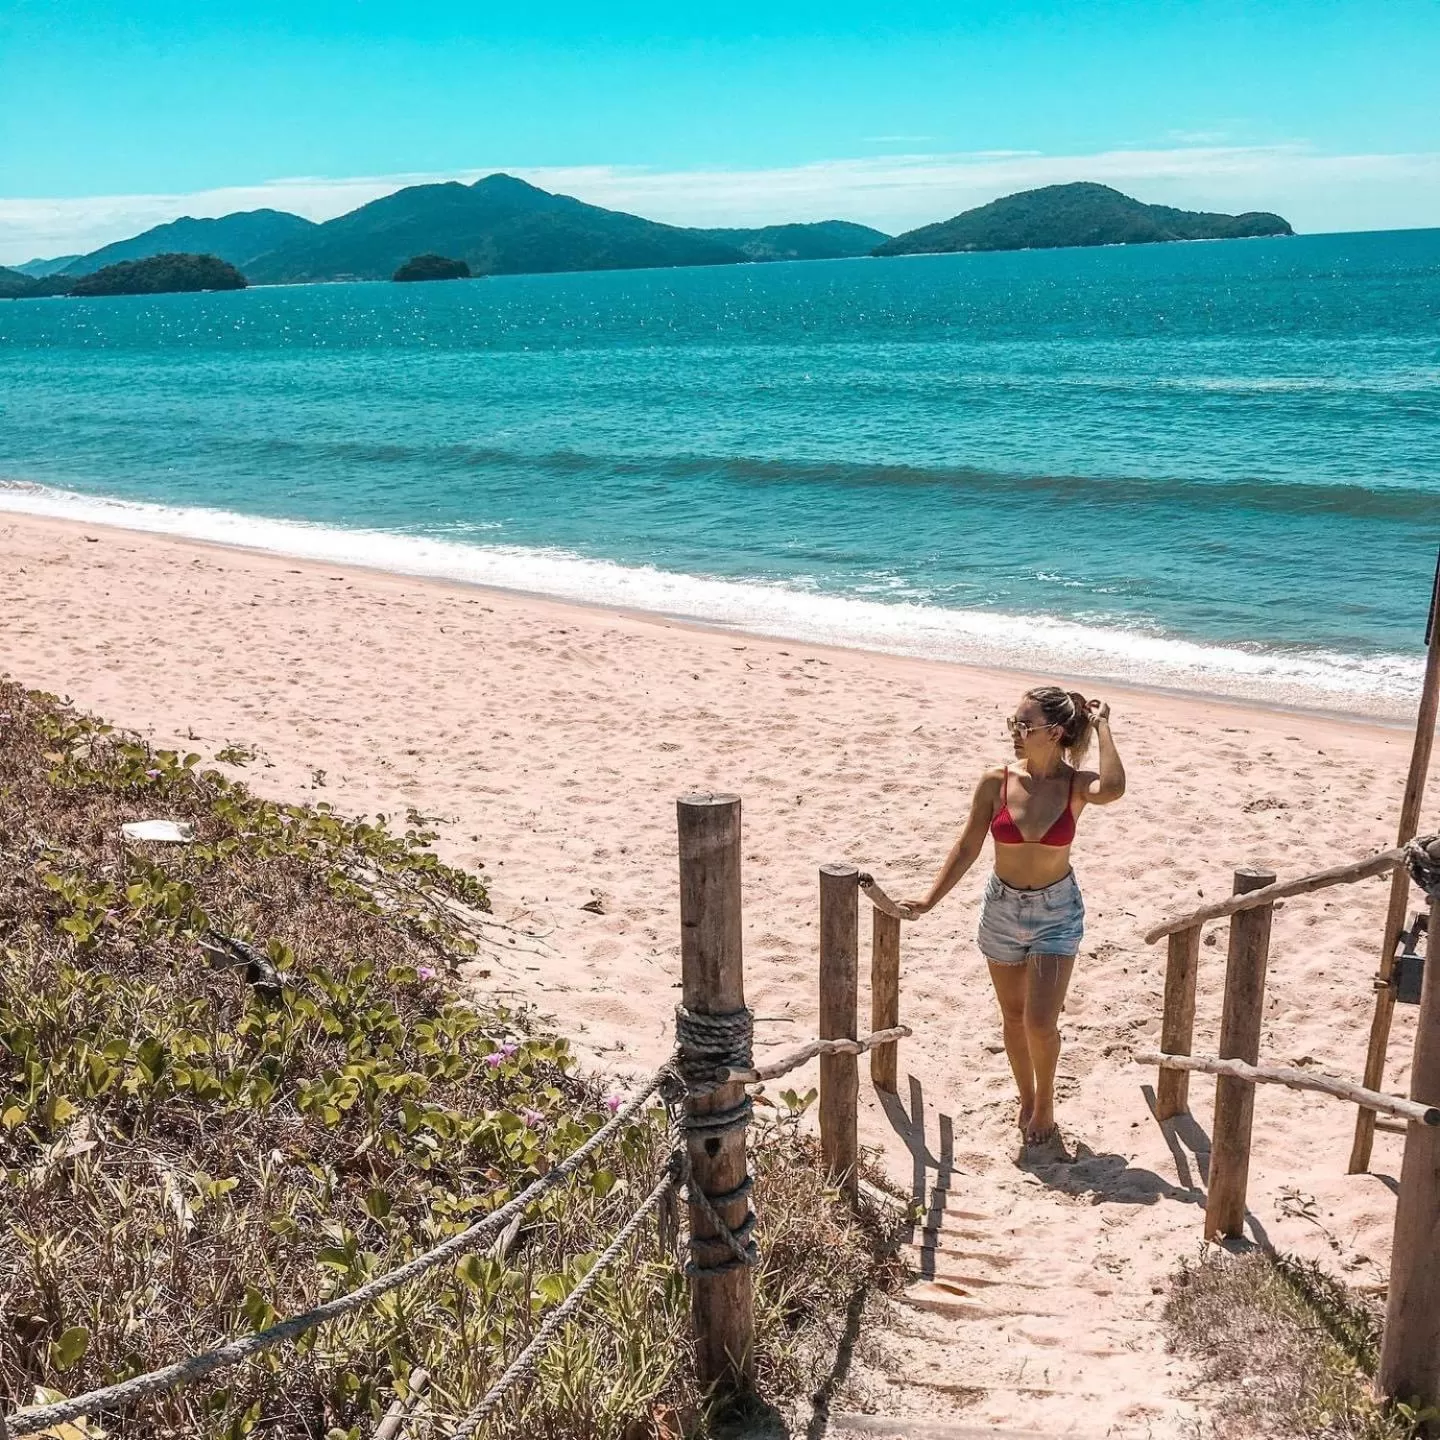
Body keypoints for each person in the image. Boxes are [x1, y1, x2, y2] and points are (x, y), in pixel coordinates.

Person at [902, 686, 1126, 1145]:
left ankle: (1045, 1104)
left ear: (1056, 732)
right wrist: (929, 900)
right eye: (1013, 723)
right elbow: (967, 847)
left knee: (1040, 1022)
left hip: (1056, 913)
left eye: (1025, 726)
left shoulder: (1075, 786)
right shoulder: (996, 782)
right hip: (1001, 909)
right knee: (1013, 1015)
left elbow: (1115, 787)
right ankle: (1025, 1096)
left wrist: (1102, 725)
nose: (1015, 733)